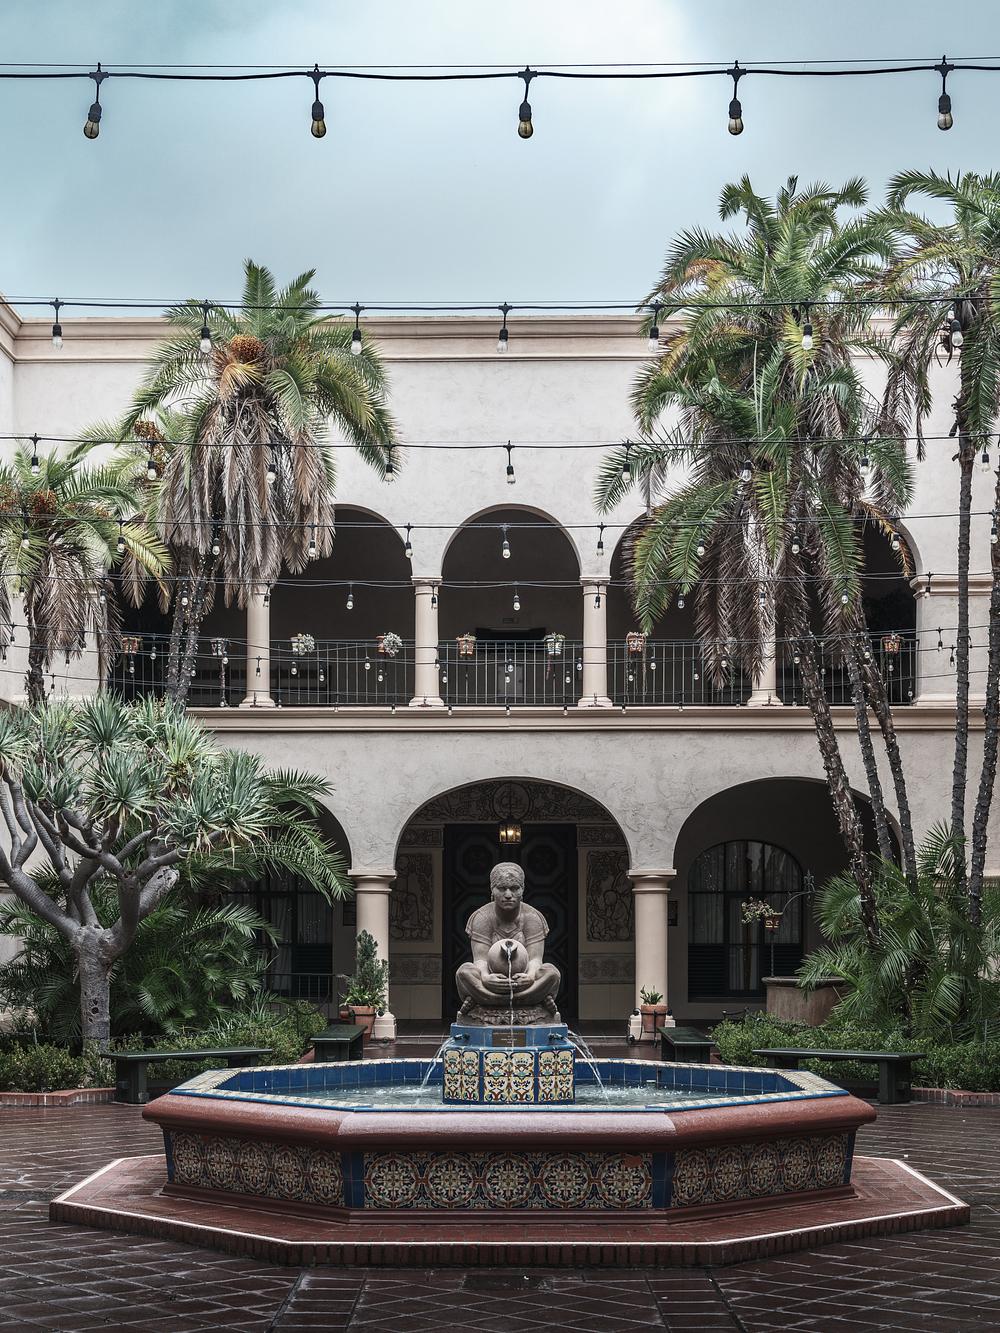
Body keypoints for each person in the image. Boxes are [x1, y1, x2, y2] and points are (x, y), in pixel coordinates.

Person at [455, 862, 561, 1017]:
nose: (508, 894)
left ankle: (482, 999)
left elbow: (535, 959)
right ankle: (535, 999)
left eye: (514, 888)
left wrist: (530, 977)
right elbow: (480, 960)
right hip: (492, 982)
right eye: (502, 888)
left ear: (522, 890)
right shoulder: (482, 917)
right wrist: (486, 977)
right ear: (492, 890)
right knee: (464, 971)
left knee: (551, 973)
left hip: (523, 982)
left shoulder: (533, 917)